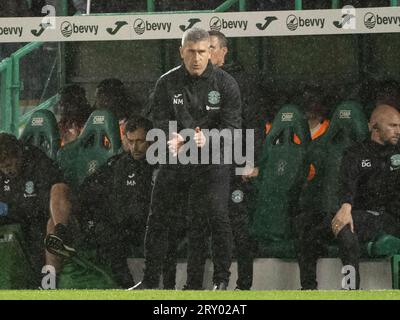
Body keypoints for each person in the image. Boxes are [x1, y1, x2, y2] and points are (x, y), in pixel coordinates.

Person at [131, 27, 242, 290]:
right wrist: (173, 137)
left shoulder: (226, 84)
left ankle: (220, 281)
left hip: (213, 160)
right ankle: (149, 281)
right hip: (178, 157)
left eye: (202, 52)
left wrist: (207, 138)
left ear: (210, 52)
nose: (197, 58)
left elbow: (234, 129)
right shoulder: (166, 83)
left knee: (215, 214)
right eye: (191, 52)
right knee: (157, 215)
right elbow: (159, 121)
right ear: (181, 52)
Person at [297, 103, 400, 290]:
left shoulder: (397, 153)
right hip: (358, 216)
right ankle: (308, 289)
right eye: (392, 126)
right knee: (309, 236)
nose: (398, 131)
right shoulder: (355, 153)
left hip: (386, 218)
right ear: (375, 127)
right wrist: (346, 207)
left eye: (399, 126)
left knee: (346, 233)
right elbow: (347, 184)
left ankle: (350, 290)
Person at [182, 29, 255, 291]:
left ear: (223, 51)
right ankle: (195, 283)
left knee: (237, 222)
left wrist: (249, 160)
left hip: (236, 162)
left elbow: (253, 123)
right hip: (204, 163)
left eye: (212, 48)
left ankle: (243, 284)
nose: (207, 53)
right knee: (199, 221)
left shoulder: (239, 83)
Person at [0, 133, 74, 286]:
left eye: (8, 165)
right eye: (2, 167)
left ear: (19, 155)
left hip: (38, 220)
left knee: (50, 227)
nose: (6, 171)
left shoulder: (39, 163)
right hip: (13, 219)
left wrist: (9, 208)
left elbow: (44, 203)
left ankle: (49, 283)